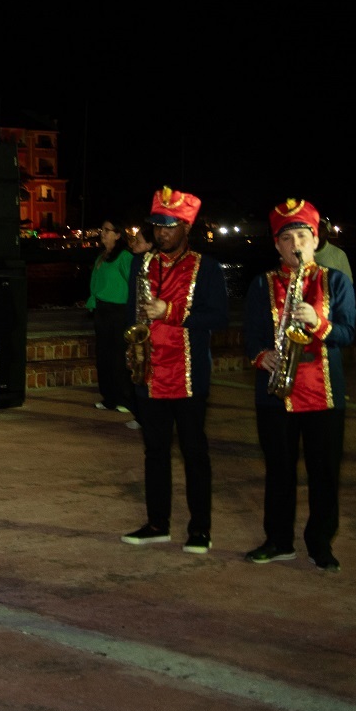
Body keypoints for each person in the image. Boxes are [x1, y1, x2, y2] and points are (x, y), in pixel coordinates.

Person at [244, 199, 356, 572]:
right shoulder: (262, 284)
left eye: (302, 237)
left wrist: (318, 323)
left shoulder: (335, 281)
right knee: (279, 471)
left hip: (324, 393)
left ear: (316, 240)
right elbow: (250, 336)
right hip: (276, 394)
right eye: (287, 238)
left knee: (325, 473)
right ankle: (278, 540)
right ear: (277, 245)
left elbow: (348, 332)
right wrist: (261, 356)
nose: (295, 244)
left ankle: (320, 542)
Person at [119, 186, 230, 552]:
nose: (161, 233)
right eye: (157, 225)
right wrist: (132, 348)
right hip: (149, 373)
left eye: (169, 226)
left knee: (194, 454)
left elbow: (220, 317)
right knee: (154, 452)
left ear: (186, 227)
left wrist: (171, 312)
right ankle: (157, 523)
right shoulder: (140, 264)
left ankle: (200, 529)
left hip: (189, 375)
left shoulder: (206, 267)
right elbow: (131, 312)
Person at [85, 218, 136, 413]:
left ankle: (124, 398)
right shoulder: (101, 257)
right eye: (102, 230)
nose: (103, 233)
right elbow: (95, 282)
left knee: (118, 356)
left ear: (118, 234)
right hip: (102, 310)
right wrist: (92, 301)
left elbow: (133, 283)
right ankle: (109, 397)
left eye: (107, 230)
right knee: (103, 355)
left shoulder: (124, 256)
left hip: (119, 311)